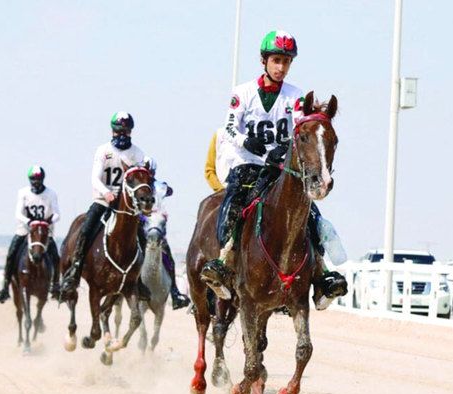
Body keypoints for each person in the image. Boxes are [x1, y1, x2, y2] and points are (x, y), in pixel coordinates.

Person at [200, 30, 346, 309]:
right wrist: (246, 141)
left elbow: (299, 128)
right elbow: (229, 127)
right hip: (246, 163)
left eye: (286, 62)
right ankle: (222, 262)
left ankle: (323, 274)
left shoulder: (295, 96)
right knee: (233, 204)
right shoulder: (242, 93)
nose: (281, 67)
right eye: (276, 60)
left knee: (309, 213)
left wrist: (286, 150)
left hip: (279, 167)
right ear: (264, 61)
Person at [59, 111, 148, 299]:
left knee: (142, 236)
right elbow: (95, 177)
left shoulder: (138, 153)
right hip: (103, 200)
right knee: (85, 230)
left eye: (126, 131)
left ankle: (138, 280)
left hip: (126, 204)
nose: (122, 134)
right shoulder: (103, 151)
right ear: (112, 131)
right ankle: (75, 271)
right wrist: (106, 193)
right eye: (118, 131)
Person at [0, 165, 61, 304]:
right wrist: (29, 221)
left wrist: (47, 222)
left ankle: (55, 286)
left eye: (38, 179)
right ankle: (5, 288)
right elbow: (18, 213)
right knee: (11, 254)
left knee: (56, 256)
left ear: (42, 179)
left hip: (44, 232)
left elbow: (57, 214)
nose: (36, 182)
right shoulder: (23, 193)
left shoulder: (51, 194)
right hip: (25, 230)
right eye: (33, 179)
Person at [143, 156, 191, 310]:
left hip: (155, 228)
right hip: (139, 226)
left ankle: (175, 293)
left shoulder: (158, 186)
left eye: (149, 172)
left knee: (168, 257)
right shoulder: (135, 185)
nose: (147, 175)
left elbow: (169, 190)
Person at [204, 128, 228, 192]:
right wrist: (221, 189)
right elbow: (209, 170)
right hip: (225, 193)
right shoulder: (219, 135)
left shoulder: (257, 133)